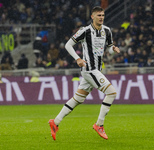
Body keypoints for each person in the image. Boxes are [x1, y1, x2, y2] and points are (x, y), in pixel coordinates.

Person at [48, 6, 120, 140]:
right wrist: (78, 58)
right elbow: (68, 45)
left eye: (103, 15)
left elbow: (109, 48)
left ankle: (55, 122)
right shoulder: (85, 31)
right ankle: (99, 124)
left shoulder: (107, 31)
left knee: (78, 99)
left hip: (97, 69)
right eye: (99, 15)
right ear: (92, 17)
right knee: (111, 93)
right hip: (89, 69)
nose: (101, 18)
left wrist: (113, 49)